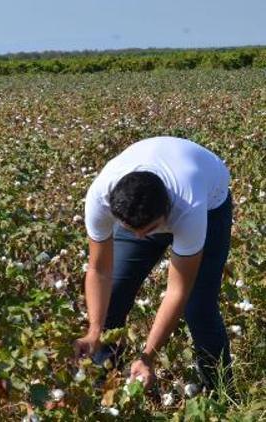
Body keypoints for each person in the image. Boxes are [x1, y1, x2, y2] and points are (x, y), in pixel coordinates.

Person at [73, 136, 232, 391]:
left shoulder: (189, 209)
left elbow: (177, 291)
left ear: (167, 212)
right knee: (113, 295)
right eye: (130, 230)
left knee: (198, 307)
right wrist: (94, 331)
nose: (140, 237)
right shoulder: (101, 197)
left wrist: (148, 356)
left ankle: (220, 393)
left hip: (212, 203)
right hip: (150, 200)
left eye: (149, 230)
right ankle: (103, 390)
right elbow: (99, 270)